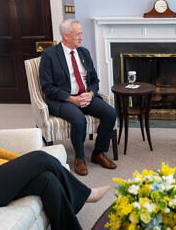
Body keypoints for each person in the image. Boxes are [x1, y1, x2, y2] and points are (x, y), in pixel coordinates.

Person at [0, 74, 109, 230]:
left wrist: (22, 163)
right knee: (39, 159)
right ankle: (86, 194)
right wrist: (21, 167)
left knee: (47, 180)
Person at [39, 19, 117, 176]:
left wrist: (91, 93)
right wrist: (71, 98)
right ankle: (79, 158)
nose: (82, 37)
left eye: (81, 33)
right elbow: (47, 87)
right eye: (78, 34)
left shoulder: (84, 52)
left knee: (110, 113)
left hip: (84, 96)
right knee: (79, 119)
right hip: (62, 100)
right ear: (66, 36)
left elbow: (94, 80)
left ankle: (98, 153)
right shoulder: (49, 55)